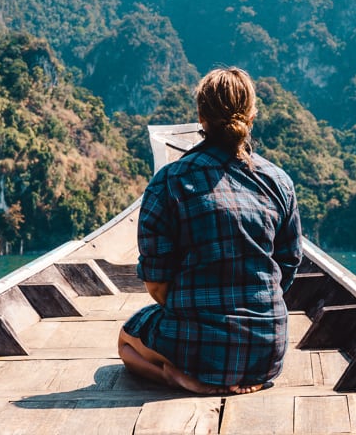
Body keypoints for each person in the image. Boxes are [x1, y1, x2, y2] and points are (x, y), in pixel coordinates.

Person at [117, 67, 303, 395]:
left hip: (196, 348)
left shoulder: (169, 181)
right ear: (252, 115)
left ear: (201, 116)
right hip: (266, 351)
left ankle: (178, 378)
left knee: (127, 340)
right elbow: (287, 268)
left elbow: (157, 284)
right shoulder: (278, 181)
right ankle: (242, 377)